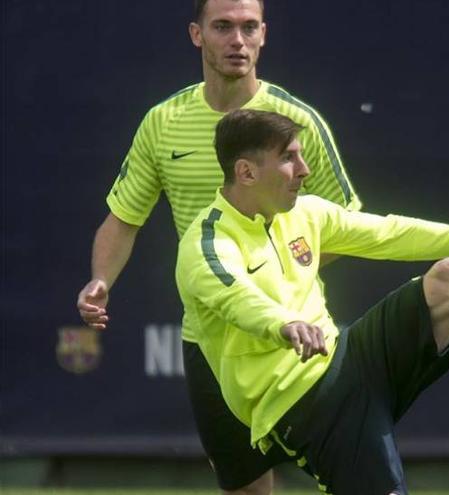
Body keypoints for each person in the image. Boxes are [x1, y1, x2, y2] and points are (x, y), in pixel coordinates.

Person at [175, 109, 449, 495]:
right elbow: (235, 296)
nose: (304, 170)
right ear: (246, 173)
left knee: (448, 279)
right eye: (289, 158)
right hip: (306, 406)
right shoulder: (206, 243)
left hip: (350, 353)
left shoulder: (306, 212)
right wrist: (282, 324)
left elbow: (391, 232)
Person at [75, 0, 362, 492]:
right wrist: (101, 279)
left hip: (300, 333)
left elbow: (349, 222)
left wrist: (281, 269)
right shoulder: (163, 122)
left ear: (264, 35)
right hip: (212, 341)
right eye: (223, 27)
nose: (238, 40)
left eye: (249, 27)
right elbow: (123, 219)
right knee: (245, 485)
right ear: (196, 34)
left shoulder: (296, 121)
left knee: (352, 471)